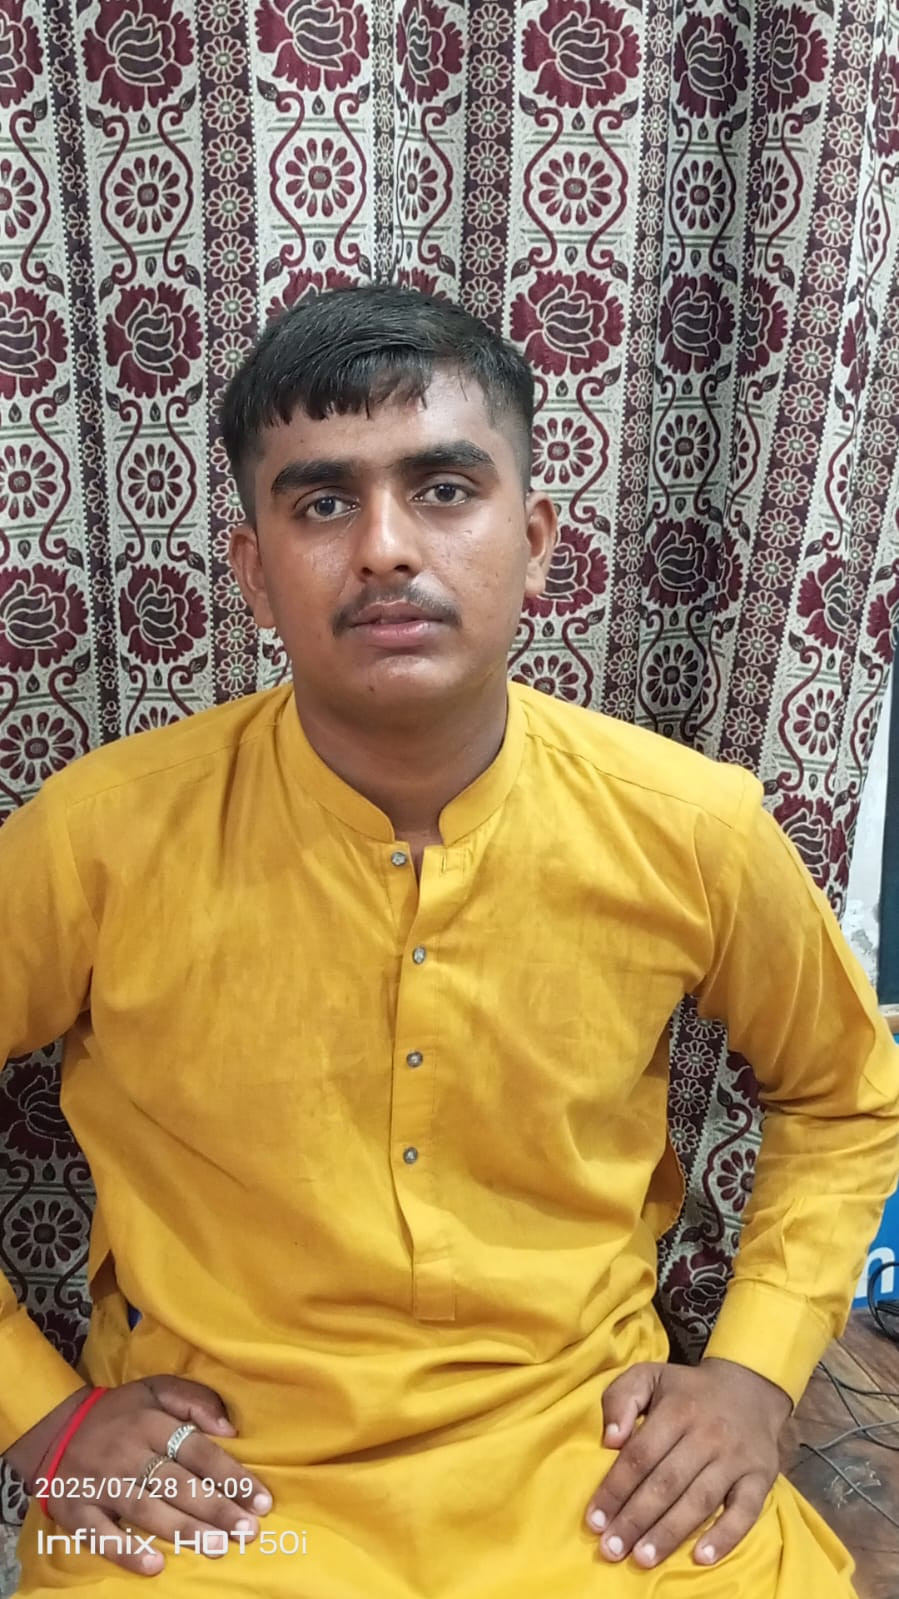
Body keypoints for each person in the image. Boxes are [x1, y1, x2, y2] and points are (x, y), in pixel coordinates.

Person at [1, 284, 897, 1599]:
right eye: (322, 503)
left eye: (442, 490)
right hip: (219, 1492)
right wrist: (42, 1415)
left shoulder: (688, 827)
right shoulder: (98, 839)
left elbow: (847, 1093)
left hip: (598, 1471)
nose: (384, 549)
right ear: (253, 572)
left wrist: (754, 1377)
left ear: (531, 541)